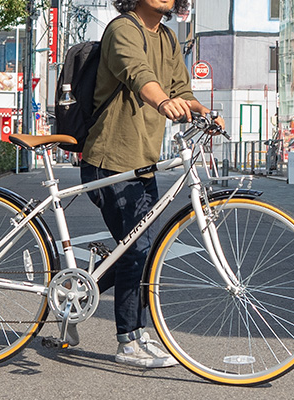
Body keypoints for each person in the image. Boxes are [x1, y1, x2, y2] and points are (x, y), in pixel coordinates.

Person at [75, 0, 225, 368]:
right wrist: (162, 103)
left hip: (142, 163)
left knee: (141, 250)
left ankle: (77, 293)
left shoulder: (169, 39)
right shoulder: (123, 28)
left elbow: (180, 88)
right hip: (109, 160)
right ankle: (129, 339)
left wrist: (201, 111)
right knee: (138, 248)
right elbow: (138, 73)